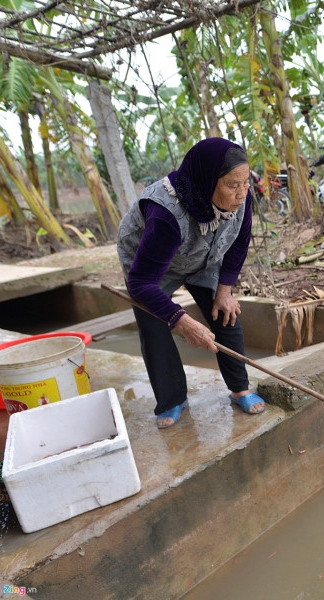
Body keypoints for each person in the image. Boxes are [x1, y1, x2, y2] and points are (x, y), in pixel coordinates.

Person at [117, 138, 266, 428]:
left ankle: (240, 388)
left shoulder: (243, 197)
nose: (242, 192)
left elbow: (239, 243)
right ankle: (172, 399)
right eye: (232, 184)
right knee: (154, 324)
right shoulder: (165, 214)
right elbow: (141, 283)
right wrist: (179, 320)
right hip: (154, 265)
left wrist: (225, 290)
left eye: (246, 182)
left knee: (227, 312)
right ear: (207, 181)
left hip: (202, 254)